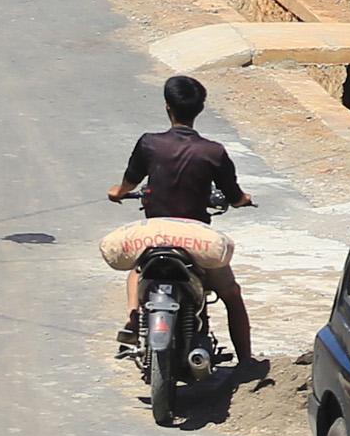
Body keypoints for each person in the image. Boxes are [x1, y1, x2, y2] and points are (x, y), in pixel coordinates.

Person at [101, 73, 256, 374]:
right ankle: (246, 362)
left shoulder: (149, 144)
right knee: (231, 295)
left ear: (167, 107)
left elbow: (127, 183)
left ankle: (133, 316)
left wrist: (117, 193)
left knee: (136, 270)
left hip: (155, 236)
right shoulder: (213, 152)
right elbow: (234, 196)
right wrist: (244, 199)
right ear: (199, 109)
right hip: (196, 239)